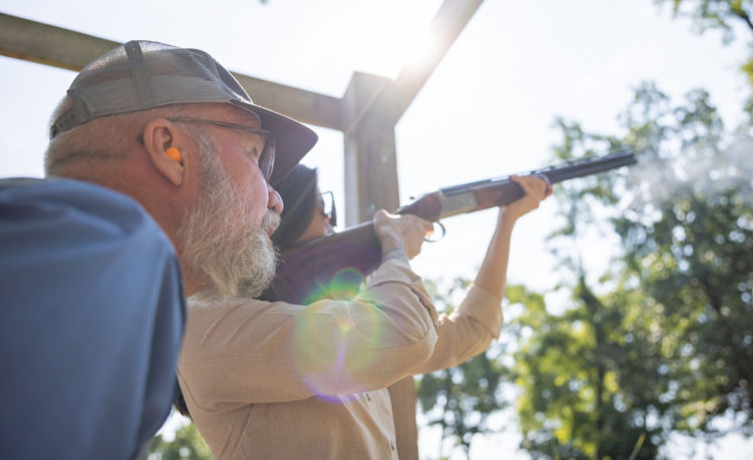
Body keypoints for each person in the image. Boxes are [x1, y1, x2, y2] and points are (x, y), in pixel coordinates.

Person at [0, 40, 318, 459]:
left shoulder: (55, 245)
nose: (275, 199)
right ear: (170, 150)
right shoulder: (113, 248)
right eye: (255, 157)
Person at [178, 162, 551, 458]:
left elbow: (468, 331)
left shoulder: (340, 316)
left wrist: (507, 222)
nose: (333, 224)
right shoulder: (207, 324)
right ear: (277, 222)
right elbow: (407, 334)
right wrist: (394, 249)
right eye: (323, 210)